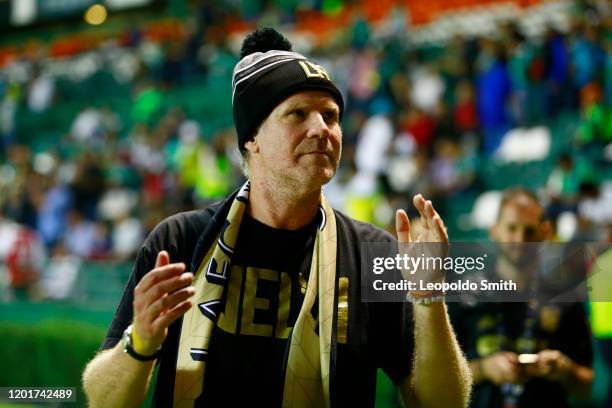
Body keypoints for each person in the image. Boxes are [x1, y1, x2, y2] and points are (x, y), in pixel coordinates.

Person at [83, 28, 471, 408]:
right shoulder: (181, 241)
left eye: (331, 115)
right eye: (298, 114)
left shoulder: (373, 255)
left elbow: (444, 403)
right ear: (252, 137)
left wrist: (428, 299)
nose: (322, 129)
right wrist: (140, 345)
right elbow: (104, 400)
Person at [450, 188, 593, 408]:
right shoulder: (463, 295)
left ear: (545, 232)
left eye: (529, 230)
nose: (520, 239)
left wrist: (565, 370)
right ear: (494, 230)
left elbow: (586, 388)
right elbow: (436, 380)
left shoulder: (565, 298)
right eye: (512, 228)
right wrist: (484, 369)